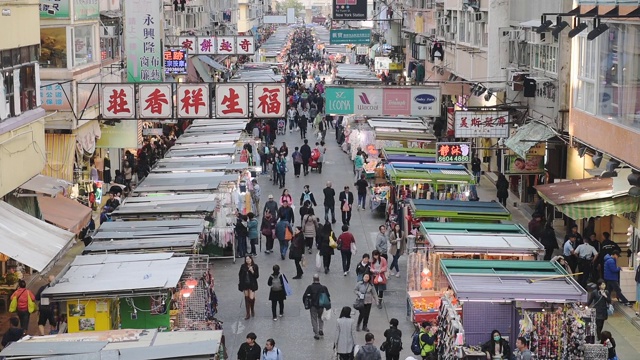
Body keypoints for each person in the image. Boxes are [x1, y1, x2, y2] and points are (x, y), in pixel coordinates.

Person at [303, 274, 331, 340]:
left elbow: (304, 296)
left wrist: (306, 304)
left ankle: (316, 334)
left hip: (313, 306)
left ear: (313, 279)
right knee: (321, 318)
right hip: (321, 306)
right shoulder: (323, 287)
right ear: (319, 279)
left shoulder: (310, 287)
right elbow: (328, 296)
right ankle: (321, 329)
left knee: (314, 319)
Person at [238, 256, 259, 320]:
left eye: (249, 259)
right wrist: (241, 283)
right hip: (245, 284)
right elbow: (240, 274)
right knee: (247, 298)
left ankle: (252, 308)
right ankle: (248, 313)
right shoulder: (243, 266)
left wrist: (252, 271)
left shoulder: (255, 266)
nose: (248, 260)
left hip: (252, 284)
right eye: (246, 259)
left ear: (251, 259)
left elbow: (257, 276)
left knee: (251, 298)